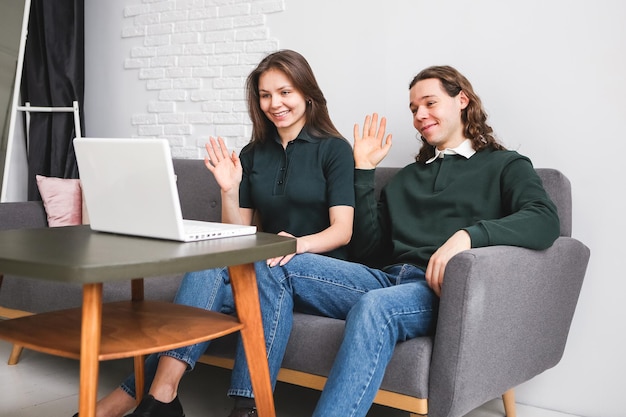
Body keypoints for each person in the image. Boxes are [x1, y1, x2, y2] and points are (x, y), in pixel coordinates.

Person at [250, 64, 561, 416]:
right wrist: (364, 172)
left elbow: (545, 219)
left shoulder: (505, 165)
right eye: (414, 109)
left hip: (439, 290)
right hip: (385, 278)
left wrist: (467, 237)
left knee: (375, 308)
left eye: (429, 103)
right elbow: (369, 250)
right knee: (278, 263)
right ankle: (250, 404)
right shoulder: (407, 179)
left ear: (463, 100)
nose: (420, 115)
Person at [76, 49, 355, 417]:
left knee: (252, 271)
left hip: (315, 272)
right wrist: (229, 189)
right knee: (211, 266)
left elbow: (343, 231)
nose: (275, 103)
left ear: (306, 93)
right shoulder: (254, 153)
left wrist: (294, 244)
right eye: (266, 95)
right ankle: (164, 394)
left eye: (285, 92)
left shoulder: (334, 149)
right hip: (261, 271)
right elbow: (236, 235)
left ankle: (128, 401)